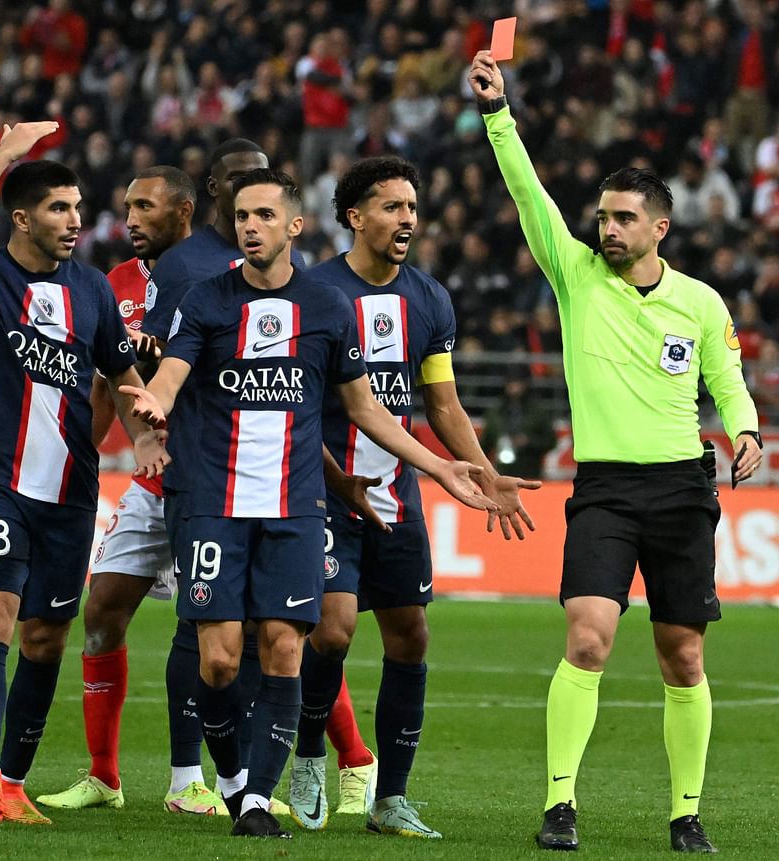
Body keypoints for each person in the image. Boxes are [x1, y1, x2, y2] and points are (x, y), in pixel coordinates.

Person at [119, 168, 498, 839]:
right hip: (217, 501)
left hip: (297, 507)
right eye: (241, 216)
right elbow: (174, 371)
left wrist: (443, 466)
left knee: (291, 649)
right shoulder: (207, 299)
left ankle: (260, 797)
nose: (249, 227)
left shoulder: (326, 309)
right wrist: (157, 402)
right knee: (220, 660)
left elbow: (368, 408)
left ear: (294, 226)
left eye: (264, 215)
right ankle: (236, 778)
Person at [468, 52, 763, 854]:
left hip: (679, 488)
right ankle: (560, 803)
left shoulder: (699, 301)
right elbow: (530, 196)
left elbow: (728, 382)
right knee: (588, 635)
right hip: (603, 486)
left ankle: (685, 812)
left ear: (659, 226)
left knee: (683, 653)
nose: (607, 227)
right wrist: (501, 114)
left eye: (623, 218)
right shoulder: (577, 277)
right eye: (602, 216)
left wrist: (747, 430)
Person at [288, 156, 542, 839]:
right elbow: (299, 402)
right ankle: (310, 752)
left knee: (411, 634)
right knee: (334, 626)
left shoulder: (429, 298)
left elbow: (443, 401)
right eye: (393, 206)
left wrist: (483, 470)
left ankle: (390, 799)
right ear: (355, 216)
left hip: (398, 493)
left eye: (412, 207)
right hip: (328, 493)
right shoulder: (314, 292)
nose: (407, 219)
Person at [0, 121, 164, 827]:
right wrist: (4, 153)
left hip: (70, 489)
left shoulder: (90, 289)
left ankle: (14, 782)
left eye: (79, 211)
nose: (75, 222)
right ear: (21, 216)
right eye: (60, 208)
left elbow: (122, 374)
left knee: (46, 638)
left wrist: (146, 423)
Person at [36, 166, 227, 814]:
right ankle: (103, 775)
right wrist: (74, 462)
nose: (131, 218)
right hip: (149, 483)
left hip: (213, 480)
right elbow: (102, 387)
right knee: (101, 614)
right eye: (126, 206)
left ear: (183, 212)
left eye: (145, 206)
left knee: (243, 627)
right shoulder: (112, 286)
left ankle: (203, 780)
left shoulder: (220, 277)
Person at [480, 367, 558, 480]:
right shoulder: (496, 412)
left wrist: (529, 442)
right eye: (511, 383)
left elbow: (551, 441)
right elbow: (485, 445)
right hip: (502, 473)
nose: (514, 387)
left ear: (525, 384)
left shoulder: (537, 412)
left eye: (517, 383)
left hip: (530, 472)